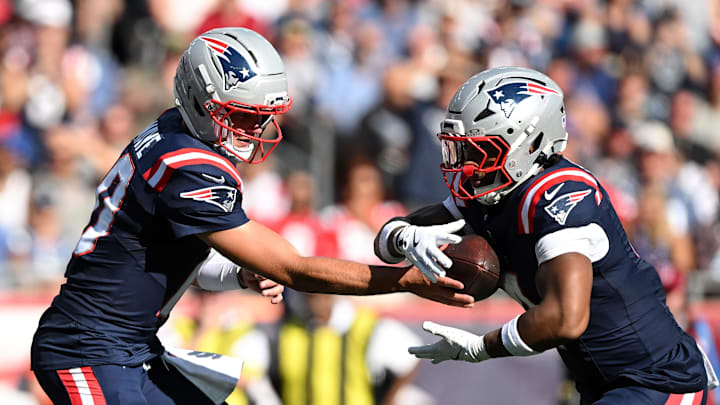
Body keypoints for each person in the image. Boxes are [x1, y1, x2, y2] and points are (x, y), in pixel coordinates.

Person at [30, 27, 474, 405]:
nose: (255, 131)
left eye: (260, 117)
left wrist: (239, 276)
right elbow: (294, 269)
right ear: (203, 102)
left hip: (130, 345)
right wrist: (404, 281)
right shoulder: (190, 164)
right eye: (242, 116)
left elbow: (163, 258)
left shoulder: (174, 130)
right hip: (87, 348)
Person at [373, 67, 719, 404]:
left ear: (529, 143)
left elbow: (566, 318)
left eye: (481, 153)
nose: (467, 168)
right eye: (462, 151)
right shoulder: (495, 190)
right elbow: (398, 233)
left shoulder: (561, 195)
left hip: (658, 379)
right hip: (604, 384)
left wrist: (483, 347)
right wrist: (402, 237)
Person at [268, 291, 424, 405]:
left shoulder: (365, 326)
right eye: (309, 295)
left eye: (320, 294)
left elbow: (410, 357)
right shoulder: (289, 331)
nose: (315, 301)